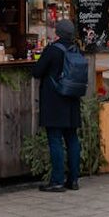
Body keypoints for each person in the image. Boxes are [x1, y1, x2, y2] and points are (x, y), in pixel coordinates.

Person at [32, 19, 81, 192]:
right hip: (72, 100)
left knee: (55, 140)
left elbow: (37, 71)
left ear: (58, 33)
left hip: (54, 100)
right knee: (72, 139)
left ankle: (57, 181)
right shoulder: (76, 49)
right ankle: (73, 180)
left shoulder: (52, 50)